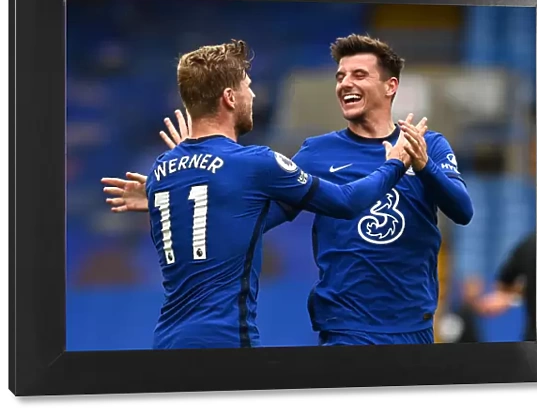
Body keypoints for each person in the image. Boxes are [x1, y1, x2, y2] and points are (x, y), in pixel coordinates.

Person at [106, 34, 472, 347]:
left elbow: (462, 210)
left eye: (359, 74)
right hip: (345, 325)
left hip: (415, 323)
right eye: (340, 76)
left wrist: (422, 165)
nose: (345, 83)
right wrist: (197, 185)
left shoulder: (428, 145)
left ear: (391, 86)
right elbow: (253, 220)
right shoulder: (316, 152)